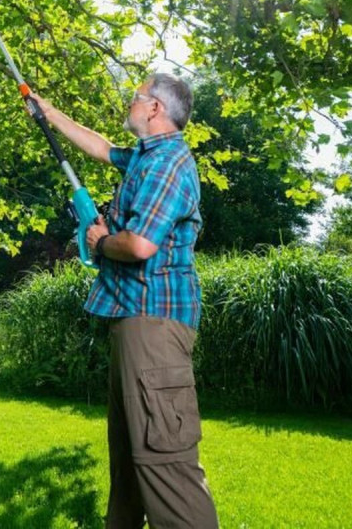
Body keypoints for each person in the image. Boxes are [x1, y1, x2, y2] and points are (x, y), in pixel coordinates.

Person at [30, 73, 219, 529]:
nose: (129, 102)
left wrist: (99, 241)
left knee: (164, 463)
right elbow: (99, 147)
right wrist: (49, 113)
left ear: (154, 108)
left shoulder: (167, 165)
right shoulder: (143, 158)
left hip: (152, 323)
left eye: (135, 97)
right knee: (131, 462)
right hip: (133, 320)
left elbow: (138, 246)